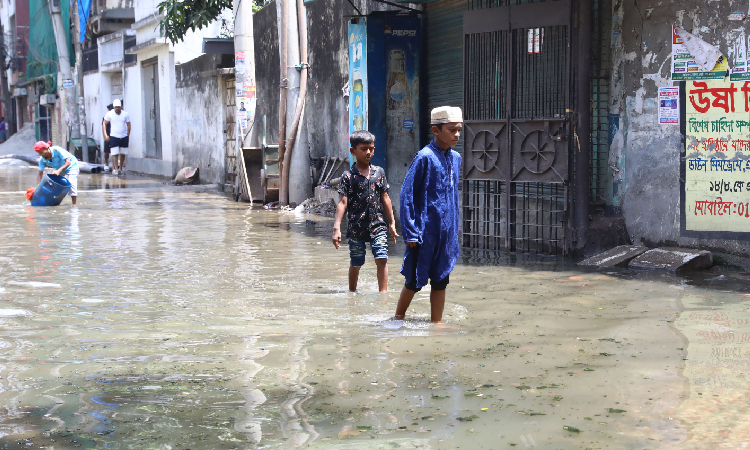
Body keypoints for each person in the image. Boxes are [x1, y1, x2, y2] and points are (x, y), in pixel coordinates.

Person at [392, 106, 462, 323]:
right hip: (424, 233)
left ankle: (436, 324)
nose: (456, 135)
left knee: (441, 279)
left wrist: (453, 232)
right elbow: (407, 194)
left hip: (446, 234)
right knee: (413, 280)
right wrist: (411, 232)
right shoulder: (424, 157)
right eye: (452, 130)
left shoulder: (457, 159)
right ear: (436, 130)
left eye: (459, 130)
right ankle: (398, 317)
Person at [332, 130, 398, 292]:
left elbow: (385, 198)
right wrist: (336, 228)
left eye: (371, 148)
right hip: (356, 227)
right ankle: (352, 292)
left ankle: (383, 294)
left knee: (382, 258)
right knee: (356, 262)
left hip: (378, 225)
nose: (369, 152)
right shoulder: (348, 176)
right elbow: (342, 202)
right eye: (364, 149)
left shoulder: (379, 172)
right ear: (353, 151)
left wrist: (392, 223)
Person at [35, 140, 80, 206]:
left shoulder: (56, 150)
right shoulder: (42, 159)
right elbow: (40, 173)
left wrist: (58, 171)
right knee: (52, 183)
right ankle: (54, 202)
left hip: (72, 166)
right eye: (39, 153)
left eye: (41, 152)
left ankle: (74, 205)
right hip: (60, 168)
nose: (40, 155)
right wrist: (39, 186)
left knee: (71, 184)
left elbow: (68, 162)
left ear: (47, 148)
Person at [103, 99, 130, 175]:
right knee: (114, 153)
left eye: (119, 107)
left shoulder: (125, 114)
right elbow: (104, 123)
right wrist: (105, 135)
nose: (117, 109)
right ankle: (115, 168)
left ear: (121, 107)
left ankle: (120, 168)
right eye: (116, 107)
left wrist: (128, 133)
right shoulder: (110, 114)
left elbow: (128, 124)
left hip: (123, 136)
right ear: (114, 107)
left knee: (122, 152)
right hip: (114, 136)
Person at [101, 104, 113, 170]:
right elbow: (103, 127)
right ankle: (106, 162)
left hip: (115, 135)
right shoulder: (106, 117)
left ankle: (115, 166)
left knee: (116, 150)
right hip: (108, 135)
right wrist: (105, 136)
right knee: (107, 150)